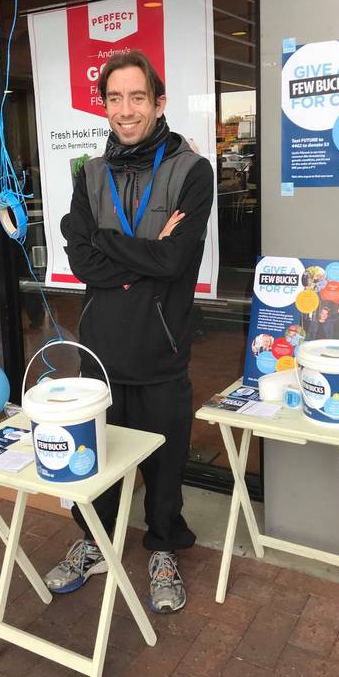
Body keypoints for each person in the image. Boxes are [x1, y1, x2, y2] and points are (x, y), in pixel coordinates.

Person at [44, 50, 214, 613]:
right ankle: (94, 540)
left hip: (161, 345)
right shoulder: (89, 174)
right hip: (99, 348)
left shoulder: (192, 170)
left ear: (158, 101)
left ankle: (163, 546)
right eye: (114, 98)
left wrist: (104, 243)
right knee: (95, 456)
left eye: (137, 97)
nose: (125, 109)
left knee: (165, 461)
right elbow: (84, 266)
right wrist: (146, 252)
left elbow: (177, 260)